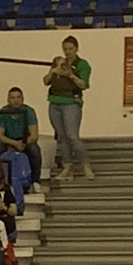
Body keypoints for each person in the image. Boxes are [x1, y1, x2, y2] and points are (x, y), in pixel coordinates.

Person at [43, 35, 93, 181]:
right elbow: (46, 81)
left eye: (70, 48)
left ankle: (85, 164)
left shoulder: (82, 64)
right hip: (55, 102)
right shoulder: (58, 62)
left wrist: (71, 75)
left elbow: (84, 85)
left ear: (76, 49)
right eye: (65, 49)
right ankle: (67, 166)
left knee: (72, 136)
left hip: (71, 102)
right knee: (62, 137)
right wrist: (53, 71)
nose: (67, 52)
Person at [0, 87, 42, 194]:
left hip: (25, 141)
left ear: (22, 99)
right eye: (13, 98)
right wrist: (14, 143)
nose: (16, 100)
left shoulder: (29, 111)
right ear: (8, 100)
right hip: (8, 141)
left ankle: (35, 181)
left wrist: (22, 143)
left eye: (18, 97)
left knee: (34, 149)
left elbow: (34, 135)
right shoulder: (3, 112)